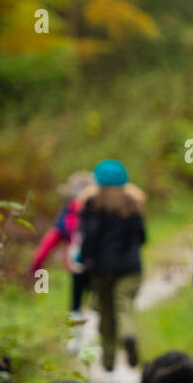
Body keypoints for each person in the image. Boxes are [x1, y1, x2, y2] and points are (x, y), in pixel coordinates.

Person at [78, 159, 146, 372]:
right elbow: (142, 238)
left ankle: (108, 362)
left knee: (105, 313)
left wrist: (82, 259)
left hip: (101, 270)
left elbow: (89, 239)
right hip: (130, 269)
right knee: (123, 307)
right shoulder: (133, 205)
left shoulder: (91, 205)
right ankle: (129, 336)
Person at [29, 171, 94, 321]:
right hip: (100, 263)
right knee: (97, 299)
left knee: (76, 299)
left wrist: (37, 263)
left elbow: (52, 237)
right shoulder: (100, 209)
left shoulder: (69, 211)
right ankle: (97, 334)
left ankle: (74, 337)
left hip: (76, 262)